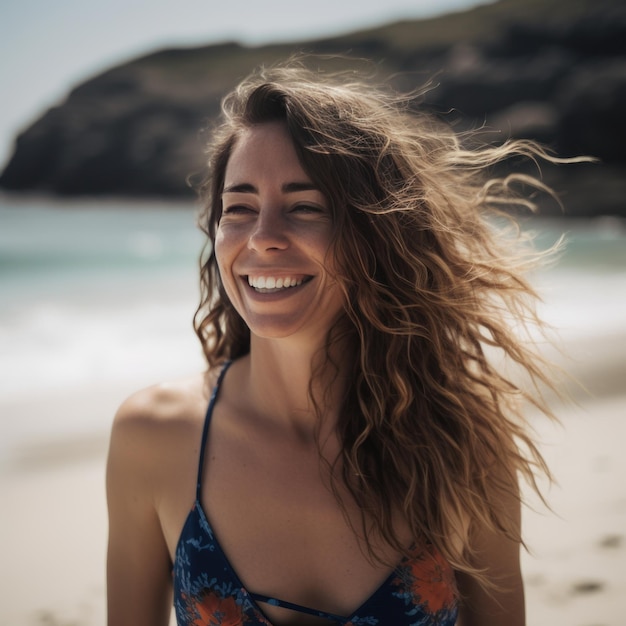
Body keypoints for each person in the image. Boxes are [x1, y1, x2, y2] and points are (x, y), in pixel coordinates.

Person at [106, 59, 565, 626]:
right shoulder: (153, 435)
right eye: (240, 208)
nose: (263, 238)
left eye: (306, 207)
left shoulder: (463, 446)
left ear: (378, 236)